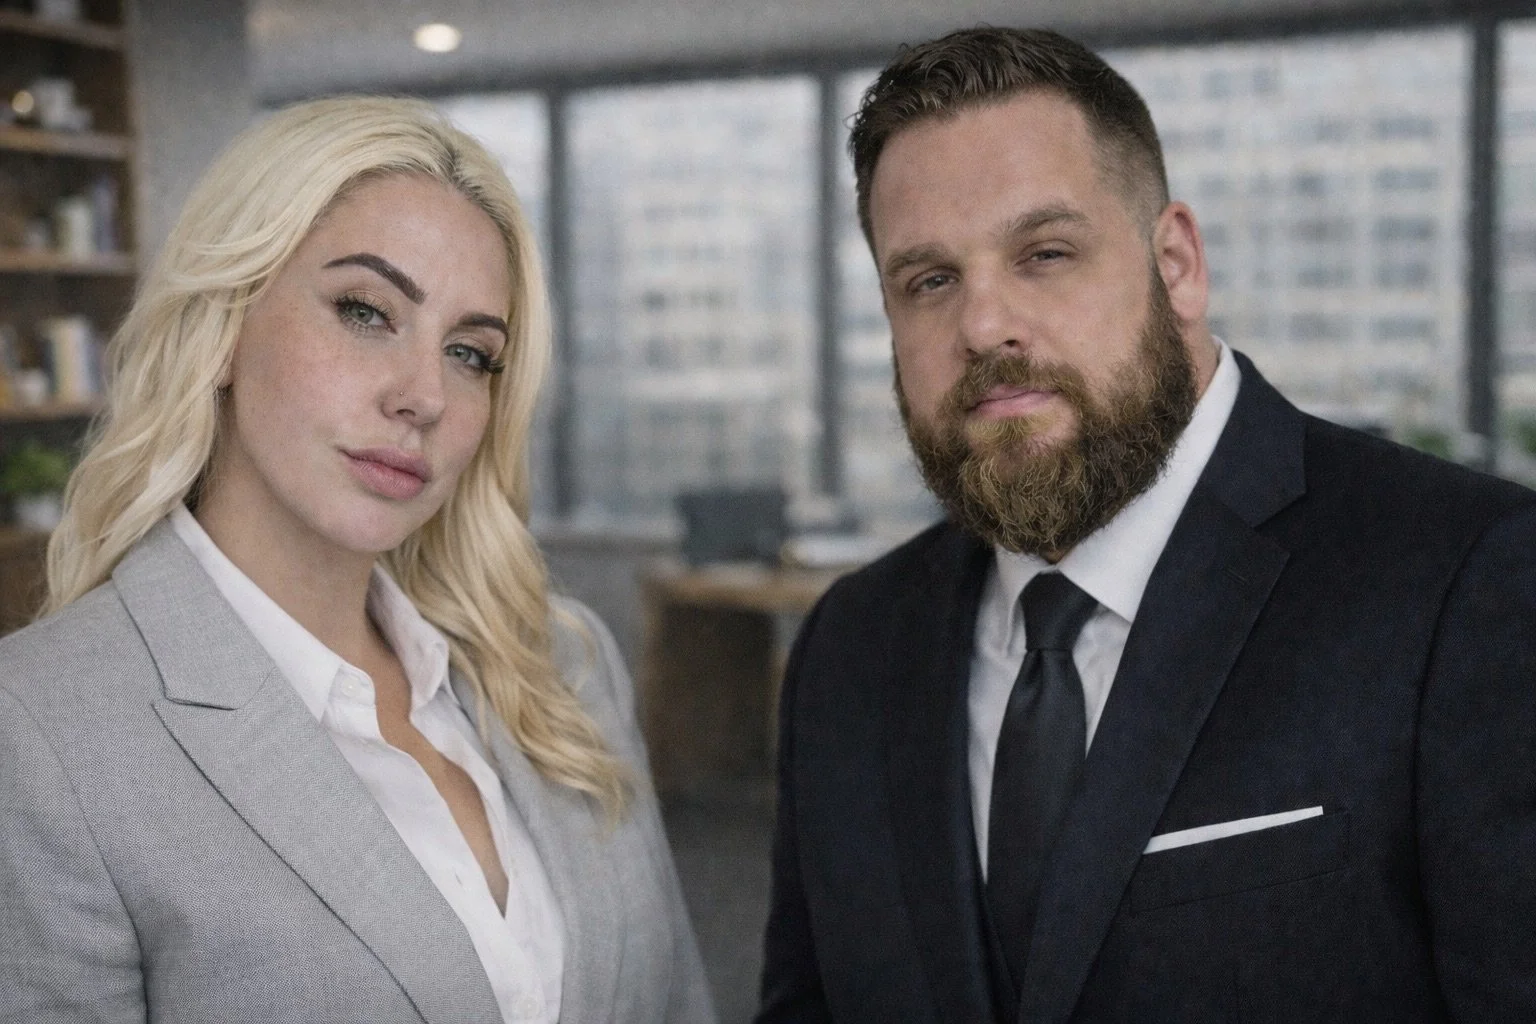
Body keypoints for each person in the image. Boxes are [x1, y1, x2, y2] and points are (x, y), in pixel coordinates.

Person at [757, 27, 1536, 1024]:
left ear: (1175, 265)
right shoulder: (848, 647)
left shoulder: (1468, 579)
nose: (983, 325)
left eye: (1045, 253)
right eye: (930, 281)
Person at [0, 96, 714, 1024]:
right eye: (365, 311)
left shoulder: (563, 668)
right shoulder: (40, 734)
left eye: (470, 353)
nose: (425, 395)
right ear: (225, 324)